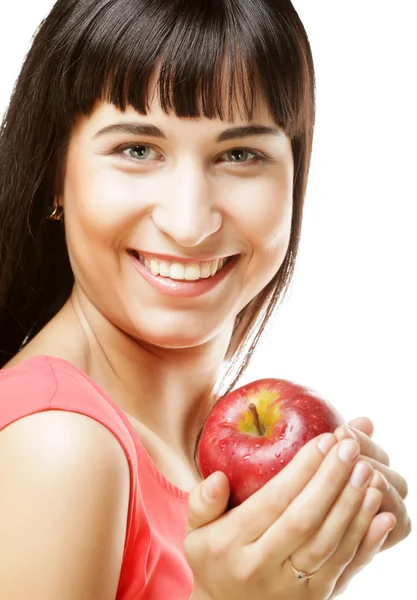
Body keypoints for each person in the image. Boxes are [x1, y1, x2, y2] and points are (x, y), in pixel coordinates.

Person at [0, 0, 411, 598]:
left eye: (240, 154)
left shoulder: (206, 457)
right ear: (54, 173)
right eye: (137, 150)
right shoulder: (59, 448)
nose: (190, 223)